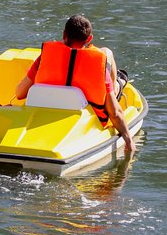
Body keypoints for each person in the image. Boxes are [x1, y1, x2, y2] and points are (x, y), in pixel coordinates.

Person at [15, 14, 136, 153]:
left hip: (43, 110)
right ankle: (118, 84)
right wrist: (128, 139)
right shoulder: (97, 64)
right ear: (89, 39)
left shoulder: (45, 56)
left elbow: (20, 93)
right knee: (107, 52)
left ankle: (117, 82)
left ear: (64, 34)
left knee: (105, 53)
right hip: (84, 111)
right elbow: (114, 113)